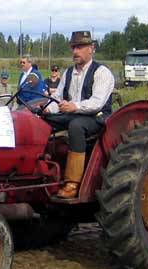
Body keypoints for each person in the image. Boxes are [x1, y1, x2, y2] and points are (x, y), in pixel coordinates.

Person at [45, 31, 114, 199]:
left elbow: (97, 102)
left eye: (81, 47)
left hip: (96, 117)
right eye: (74, 47)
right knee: (43, 122)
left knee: (76, 126)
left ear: (91, 49)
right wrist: (48, 109)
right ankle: (45, 171)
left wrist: (74, 106)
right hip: (72, 113)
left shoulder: (102, 73)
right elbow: (58, 98)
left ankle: (73, 182)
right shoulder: (68, 73)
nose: (76, 51)